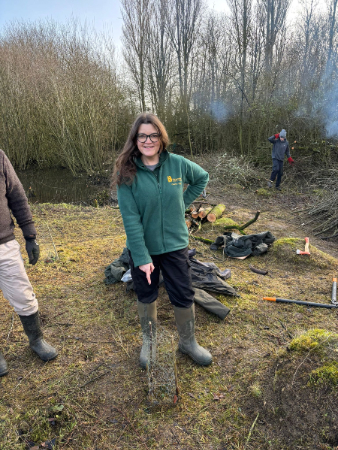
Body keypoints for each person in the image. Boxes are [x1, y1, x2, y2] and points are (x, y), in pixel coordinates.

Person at [114, 113, 212, 368]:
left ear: (161, 138)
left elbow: (202, 177)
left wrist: (181, 203)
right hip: (143, 246)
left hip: (176, 244)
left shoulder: (177, 164)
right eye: (142, 135)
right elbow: (131, 220)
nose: (148, 140)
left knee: (182, 291)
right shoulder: (127, 174)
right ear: (135, 140)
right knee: (146, 293)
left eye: (153, 135)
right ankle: (150, 342)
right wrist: (143, 257)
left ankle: (188, 342)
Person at [0, 150, 58, 377]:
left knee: (24, 295)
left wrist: (30, 236)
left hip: (4, 244)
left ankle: (36, 340)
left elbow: (17, 196)